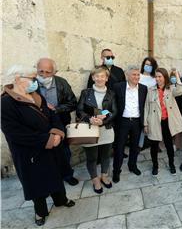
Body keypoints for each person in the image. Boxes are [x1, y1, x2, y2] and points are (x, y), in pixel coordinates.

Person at [1, 65, 75, 226]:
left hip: (51, 146)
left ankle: (61, 200)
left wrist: (57, 133)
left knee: (55, 175)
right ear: (18, 79)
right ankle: (40, 212)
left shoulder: (35, 95)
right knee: (36, 183)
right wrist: (48, 140)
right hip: (29, 153)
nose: (36, 81)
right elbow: (15, 133)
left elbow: (52, 115)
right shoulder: (6, 103)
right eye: (32, 78)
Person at [36, 58, 79, 186]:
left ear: (55, 72)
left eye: (48, 72)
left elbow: (72, 103)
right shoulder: (31, 84)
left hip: (60, 123)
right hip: (40, 126)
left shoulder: (62, 83)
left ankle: (67, 175)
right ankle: (50, 178)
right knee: (44, 154)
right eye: (41, 71)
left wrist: (56, 109)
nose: (44, 75)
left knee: (64, 151)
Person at [77, 67, 117, 194]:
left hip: (106, 129)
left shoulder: (111, 94)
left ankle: (104, 176)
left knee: (106, 156)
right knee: (92, 158)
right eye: (97, 76)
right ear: (93, 78)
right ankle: (95, 179)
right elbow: (79, 110)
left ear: (106, 78)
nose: (99, 78)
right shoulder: (85, 93)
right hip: (90, 130)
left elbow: (115, 111)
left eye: (102, 76)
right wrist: (90, 119)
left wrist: (103, 121)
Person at [144, 68, 182, 175]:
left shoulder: (171, 89)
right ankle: (155, 166)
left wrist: (176, 74)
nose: (157, 79)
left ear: (165, 77)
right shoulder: (150, 90)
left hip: (167, 121)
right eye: (156, 77)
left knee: (168, 145)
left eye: (160, 76)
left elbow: (180, 90)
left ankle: (171, 164)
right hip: (154, 121)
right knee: (154, 145)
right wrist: (145, 123)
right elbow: (146, 108)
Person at [112, 65, 148, 183]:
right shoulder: (118, 87)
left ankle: (132, 165)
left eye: (138, 75)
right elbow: (111, 103)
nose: (136, 77)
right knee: (119, 147)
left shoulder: (143, 88)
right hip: (122, 121)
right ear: (127, 75)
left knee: (135, 146)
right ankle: (116, 171)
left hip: (137, 122)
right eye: (134, 74)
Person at [138, 57, 158, 151]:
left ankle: (151, 141)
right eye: (146, 64)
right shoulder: (139, 76)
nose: (148, 66)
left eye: (150, 65)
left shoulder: (154, 78)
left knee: (151, 122)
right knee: (141, 123)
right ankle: (140, 144)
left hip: (151, 103)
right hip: (139, 103)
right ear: (143, 65)